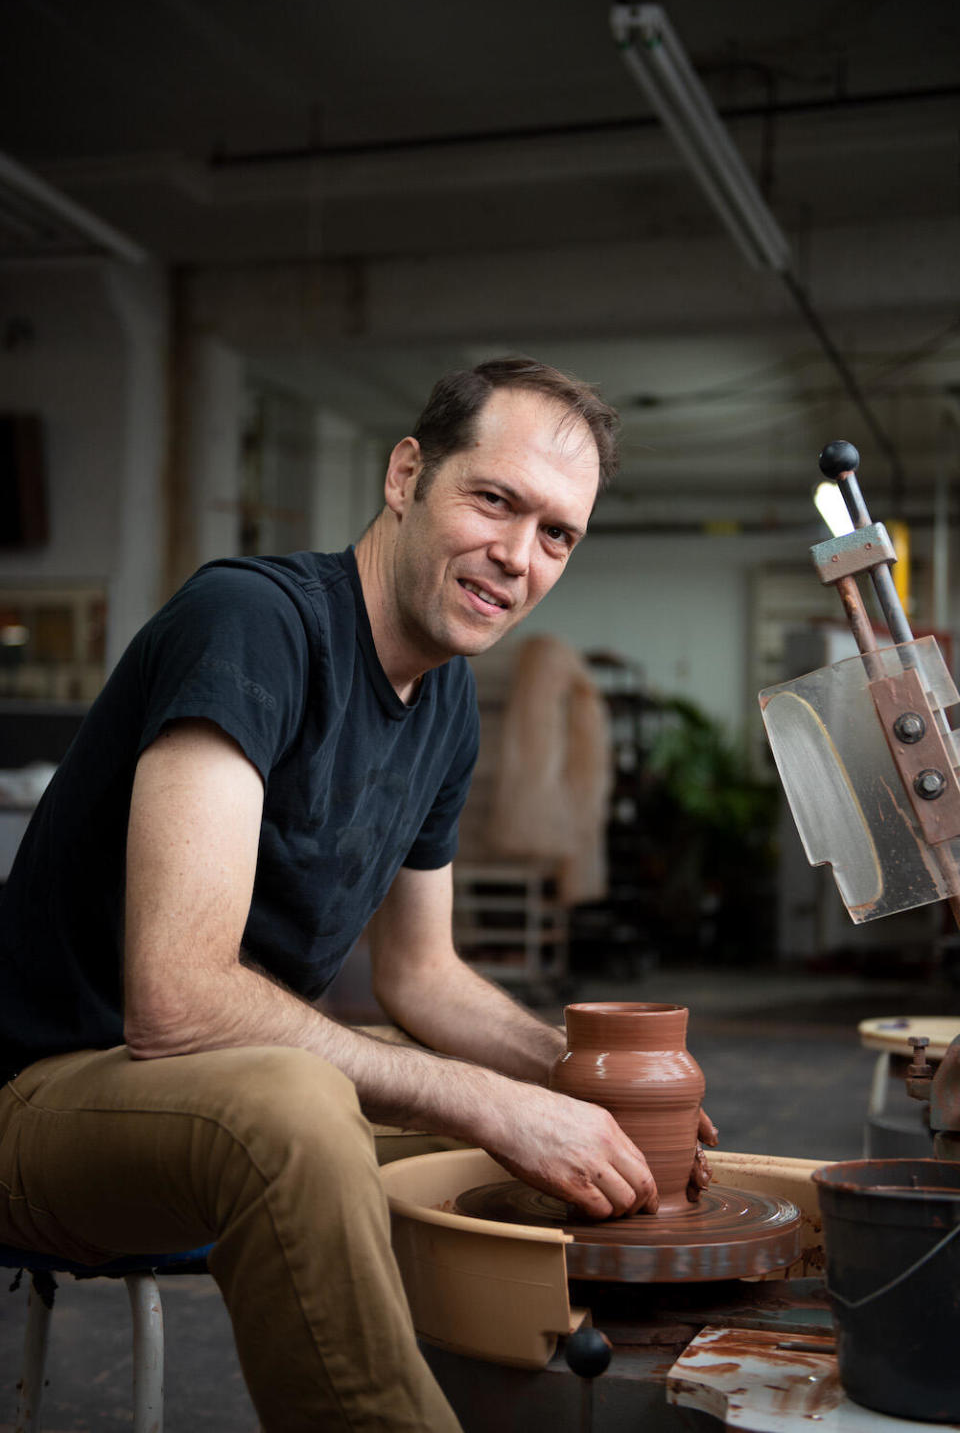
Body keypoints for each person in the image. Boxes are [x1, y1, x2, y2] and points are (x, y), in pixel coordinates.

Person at [0, 357, 715, 1431]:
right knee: (302, 1109)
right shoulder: (254, 622)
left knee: (506, 1155)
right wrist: (485, 1094)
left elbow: (421, 975)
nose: (517, 557)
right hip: (46, 1099)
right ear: (406, 474)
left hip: (208, 1092)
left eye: (557, 533)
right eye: (494, 499)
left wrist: (586, 1081)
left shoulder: (448, 702)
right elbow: (177, 1000)